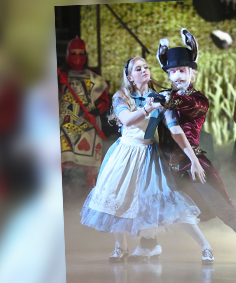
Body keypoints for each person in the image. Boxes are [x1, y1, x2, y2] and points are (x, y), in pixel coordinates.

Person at [130, 28, 236, 265]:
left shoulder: (198, 99)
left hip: (191, 163)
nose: (177, 76)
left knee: (220, 207)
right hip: (162, 163)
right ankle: (148, 245)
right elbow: (148, 126)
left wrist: (160, 100)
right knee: (149, 203)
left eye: (182, 71)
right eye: (173, 71)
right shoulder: (161, 96)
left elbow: (179, 102)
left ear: (191, 73)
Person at [80, 57, 215, 264]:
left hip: (147, 155)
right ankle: (121, 247)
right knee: (117, 199)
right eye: (138, 68)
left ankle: (205, 246)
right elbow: (126, 119)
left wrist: (193, 159)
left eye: (146, 67)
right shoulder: (121, 96)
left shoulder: (161, 98)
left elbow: (175, 129)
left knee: (168, 203)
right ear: (130, 77)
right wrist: (147, 108)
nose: (144, 70)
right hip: (124, 153)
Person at [59, 36, 110, 187]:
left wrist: (94, 113)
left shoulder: (93, 77)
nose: (77, 57)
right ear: (68, 53)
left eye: (81, 53)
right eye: (74, 53)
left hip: (88, 124)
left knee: (92, 166)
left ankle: (94, 199)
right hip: (64, 124)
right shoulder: (60, 76)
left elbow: (105, 101)